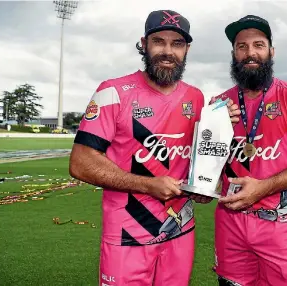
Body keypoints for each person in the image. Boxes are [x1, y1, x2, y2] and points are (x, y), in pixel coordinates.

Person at [69, 10, 213, 286]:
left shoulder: (196, 97)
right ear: (144, 44)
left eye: (177, 44)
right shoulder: (112, 92)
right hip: (127, 235)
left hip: (180, 230)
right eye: (159, 41)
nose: (168, 51)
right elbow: (81, 162)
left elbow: (196, 157)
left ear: (187, 49)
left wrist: (203, 186)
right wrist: (148, 185)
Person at [211, 15, 287, 286]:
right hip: (231, 224)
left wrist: (263, 187)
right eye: (242, 46)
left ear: (271, 51)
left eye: (258, 45)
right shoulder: (218, 104)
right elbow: (209, 166)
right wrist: (216, 132)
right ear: (233, 53)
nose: (250, 52)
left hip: (281, 225)